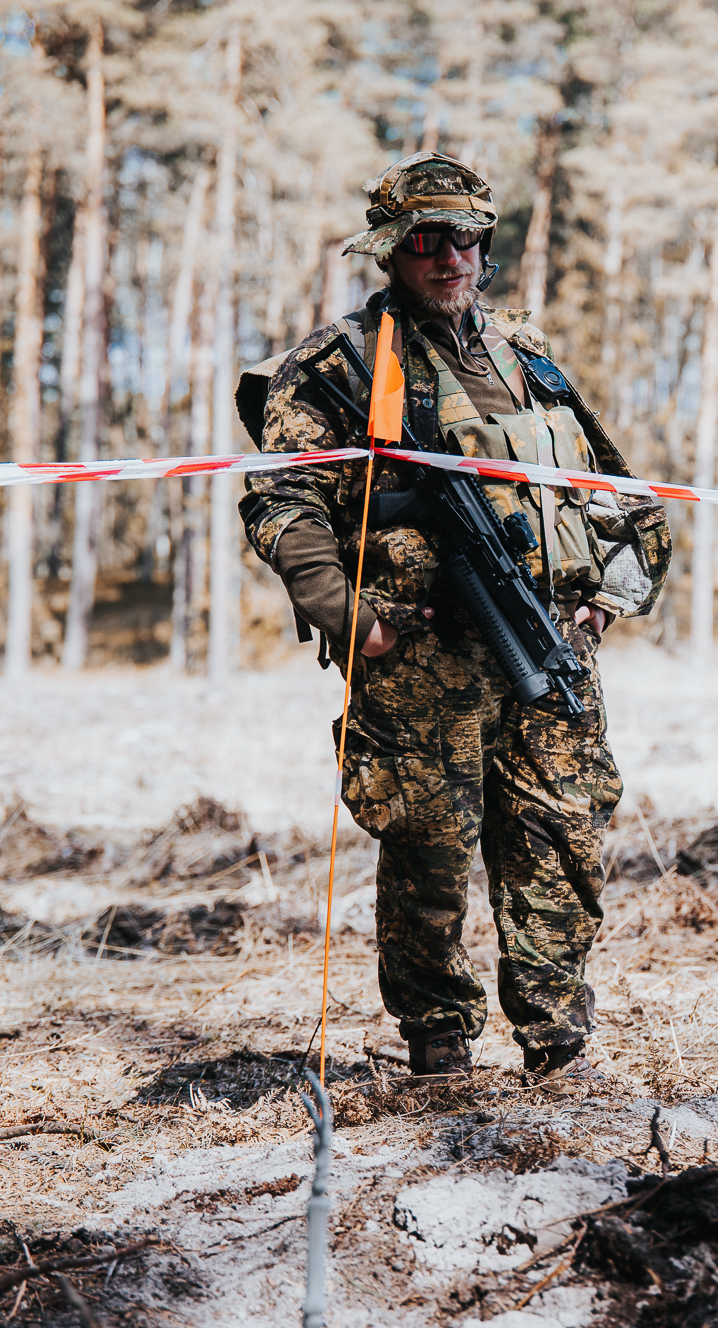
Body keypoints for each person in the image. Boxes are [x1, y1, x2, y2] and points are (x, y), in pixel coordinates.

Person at [240, 152, 670, 1079]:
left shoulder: (527, 355)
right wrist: (353, 617)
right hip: (419, 656)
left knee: (563, 839)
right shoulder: (342, 365)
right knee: (430, 854)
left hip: (548, 640)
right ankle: (438, 1051)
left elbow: (614, 489)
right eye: (431, 242)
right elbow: (281, 502)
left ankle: (560, 1046)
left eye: (471, 240)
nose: (453, 260)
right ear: (394, 250)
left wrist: (606, 601)